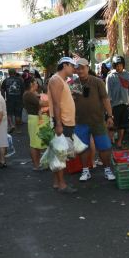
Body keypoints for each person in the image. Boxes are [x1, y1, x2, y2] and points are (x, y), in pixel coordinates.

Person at [73, 58, 116, 182]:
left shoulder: (97, 82)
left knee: (104, 147)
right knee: (83, 148)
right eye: (78, 68)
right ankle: (85, 170)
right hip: (80, 121)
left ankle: (107, 169)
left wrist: (110, 116)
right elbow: (72, 101)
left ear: (88, 67)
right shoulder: (75, 83)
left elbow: (105, 99)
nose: (80, 70)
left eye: (82, 67)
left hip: (97, 120)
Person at [47, 57, 77, 194]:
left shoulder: (61, 80)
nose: (74, 69)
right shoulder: (56, 80)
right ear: (64, 65)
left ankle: (56, 182)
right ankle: (62, 184)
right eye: (72, 66)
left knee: (58, 152)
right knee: (60, 154)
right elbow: (56, 103)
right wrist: (58, 123)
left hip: (66, 121)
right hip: (62, 122)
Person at [106, 55, 129, 149]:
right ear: (114, 66)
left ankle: (119, 142)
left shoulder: (128, 75)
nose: (119, 67)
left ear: (123, 65)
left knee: (122, 125)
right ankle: (109, 142)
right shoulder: (110, 77)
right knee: (112, 126)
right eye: (117, 65)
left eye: (120, 65)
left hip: (125, 104)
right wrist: (108, 106)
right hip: (114, 105)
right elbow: (108, 92)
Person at [22, 77, 49, 171]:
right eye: (35, 83)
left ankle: (38, 164)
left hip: (37, 118)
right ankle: (36, 165)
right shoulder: (28, 94)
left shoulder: (31, 94)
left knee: (38, 143)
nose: (37, 84)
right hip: (35, 119)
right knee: (34, 143)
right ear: (31, 84)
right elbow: (41, 103)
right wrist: (53, 101)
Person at [1, 68, 25, 134]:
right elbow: (23, 90)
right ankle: (18, 129)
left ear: (9, 73)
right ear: (15, 73)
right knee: (18, 115)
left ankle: (11, 125)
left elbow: (2, 91)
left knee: (9, 114)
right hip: (19, 100)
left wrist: (3, 99)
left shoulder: (5, 80)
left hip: (9, 100)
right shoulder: (20, 80)